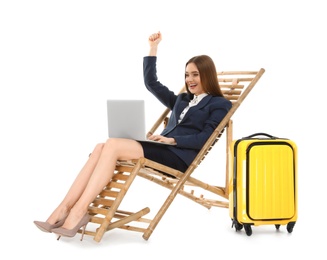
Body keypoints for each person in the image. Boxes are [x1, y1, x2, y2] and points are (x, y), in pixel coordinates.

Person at [33, 31, 232, 240]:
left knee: (112, 144)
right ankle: (64, 208)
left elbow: (205, 138)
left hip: (177, 157)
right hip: (161, 148)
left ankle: (78, 210)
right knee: (101, 146)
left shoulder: (220, 105)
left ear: (207, 75)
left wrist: (171, 139)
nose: (189, 79)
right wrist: (153, 49)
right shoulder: (182, 100)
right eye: (187, 74)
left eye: (195, 74)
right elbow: (151, 84)